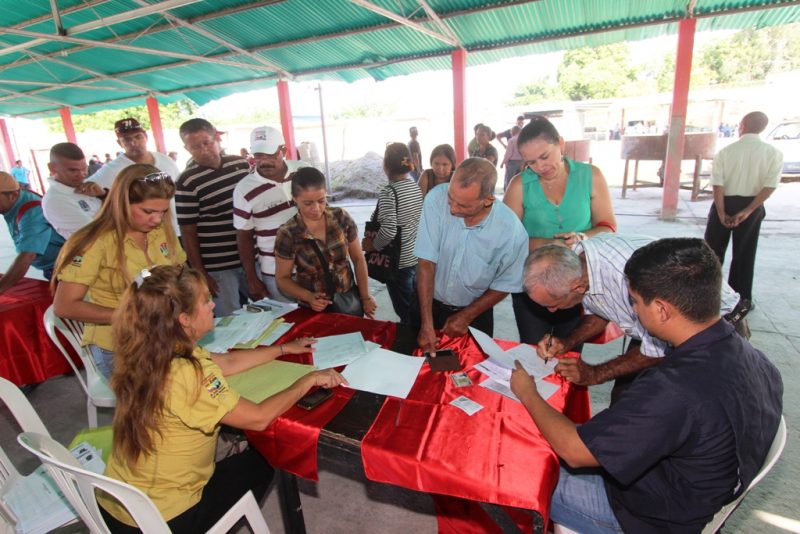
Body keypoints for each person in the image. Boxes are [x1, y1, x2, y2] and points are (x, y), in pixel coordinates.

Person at [510, 237, 783, 533]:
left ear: (662, 311)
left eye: (635, 303)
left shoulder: (671, 388)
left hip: (649, 515)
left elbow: (574, 451)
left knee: (518, 470)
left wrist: (528, 392)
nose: (631, 314)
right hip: (696, 484)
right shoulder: (755, 359)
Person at [97, 264, 346, 532]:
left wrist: (283, 349)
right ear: (184, 319)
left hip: (116, 502)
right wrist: (307, 380)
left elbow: (227, 361)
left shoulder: (149, 349)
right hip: (163, 520)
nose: (213, 305)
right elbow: (259, 419)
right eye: (206, 301)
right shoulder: (188, 373)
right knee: (268, 455)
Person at [527, 234, 741, 397]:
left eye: (553, 305)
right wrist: (567, 342)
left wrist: (594, 374)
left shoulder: (626, 277)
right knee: (625, 398)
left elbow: (654, 351)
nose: (551, 312)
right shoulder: (577, 265)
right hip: (654, 334)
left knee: (680, 408)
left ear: (576, 287)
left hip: (711, 328)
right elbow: (601, 312)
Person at [52, 164, 186, 379]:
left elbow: (180, 271)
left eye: (163, 211)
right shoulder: (93, 241)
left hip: (164, 336)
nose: (157, 219)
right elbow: (65, 306)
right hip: (121, 346)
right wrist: (131, 317)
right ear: (122, 203)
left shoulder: (160, 231)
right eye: (148, 211)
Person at [504, 117, 616, 345]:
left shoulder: (590, 176)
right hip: (532, 286)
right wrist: (547, 245)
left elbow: (608, 228)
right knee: (534, 348)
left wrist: (583, 238)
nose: (540, 167)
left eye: (545, 156)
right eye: (531, 162)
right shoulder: (519, 185)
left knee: (570, 350)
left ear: (561, 144)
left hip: (576, 285)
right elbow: (506, 241)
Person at [412, 158, 527, 354]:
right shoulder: (436, 199)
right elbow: (426, 263)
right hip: (426, 303)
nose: (453, 209)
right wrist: (427, 324)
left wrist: (467, 315)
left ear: (488, 200)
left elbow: (506, 283)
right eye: (451, 199)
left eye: (463, 206)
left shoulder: (511, 232)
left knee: (471, 374)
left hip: (475, 312)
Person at [704, 111, 783, 313]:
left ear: (742, 125)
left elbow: (718, 184)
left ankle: (706, 296)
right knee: (745, 254)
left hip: (724, 201)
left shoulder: (726, 152)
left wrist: (721, 213)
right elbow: (769, 186)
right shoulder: (773, 153)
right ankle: (741, 300)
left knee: (712, 252)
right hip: (752, 204)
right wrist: (748, 211)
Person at [275, 167, 377, 318]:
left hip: (348, 301)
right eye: (308, 203)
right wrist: (308, 296)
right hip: (312, 309)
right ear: (294, 198)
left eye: (321, 200)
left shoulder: (340, 217)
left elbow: (358, 259)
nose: (316, 209)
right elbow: (282, 279)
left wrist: (365, 297)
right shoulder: (288, 233)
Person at [176, 118, 250, 317]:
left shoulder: (241, 165)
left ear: (217, 138)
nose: (204, 150)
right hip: (217, 267)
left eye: (207, 143)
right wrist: (201, 274)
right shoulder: (186, 181)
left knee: (266, 311)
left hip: (250, 258)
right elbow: (188, 231)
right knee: (230, 319)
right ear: (187, 148)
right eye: (195, 147)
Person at [233, 125, 307, 302]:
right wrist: (252, 278)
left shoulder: (303, 171)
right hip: (275, 271)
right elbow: (244, 237)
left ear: (283, 151)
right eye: (258, 156)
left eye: (271, 155)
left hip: (312, 265)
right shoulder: (244, 189)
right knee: (289, 323)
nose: (264, 162)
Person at [361, 143, 423, 323]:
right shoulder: (415, 188)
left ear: (386, 166)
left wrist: (372, 246)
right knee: (413, 303)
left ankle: (416, 342)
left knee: (406, 311)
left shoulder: (390, 192)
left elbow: (388, 230)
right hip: (413, 258)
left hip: (396, 262)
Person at [0, 172, 64, 294]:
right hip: (56, 269)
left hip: (70, 268)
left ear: (12, 195)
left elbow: (27, 255)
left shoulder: (31, 212)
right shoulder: (16, 201)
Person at [89, 118, 180, 191]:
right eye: (126, 140)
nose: (133, 142)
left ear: (146, 137)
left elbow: (180, 186)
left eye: (138, 137)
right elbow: (87, 186)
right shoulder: (112, 169)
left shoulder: (166, 160)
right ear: (119, 143)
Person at [42, 142, 103, 240]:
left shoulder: (87, 187)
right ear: (52, 167)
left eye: (84, 169)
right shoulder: (55, 200)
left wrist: (103, 195)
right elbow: (98, 233)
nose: (81, 175)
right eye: (73, 170)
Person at [500, 125, 522, 190]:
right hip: (522, 162)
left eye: (511, 131)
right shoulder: (523, 139)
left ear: (513, 131)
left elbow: (508, 153)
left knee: (509, 180)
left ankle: (508, 194)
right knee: (519, 180)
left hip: (512, 163)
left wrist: (503, 162)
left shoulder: (511, 140)